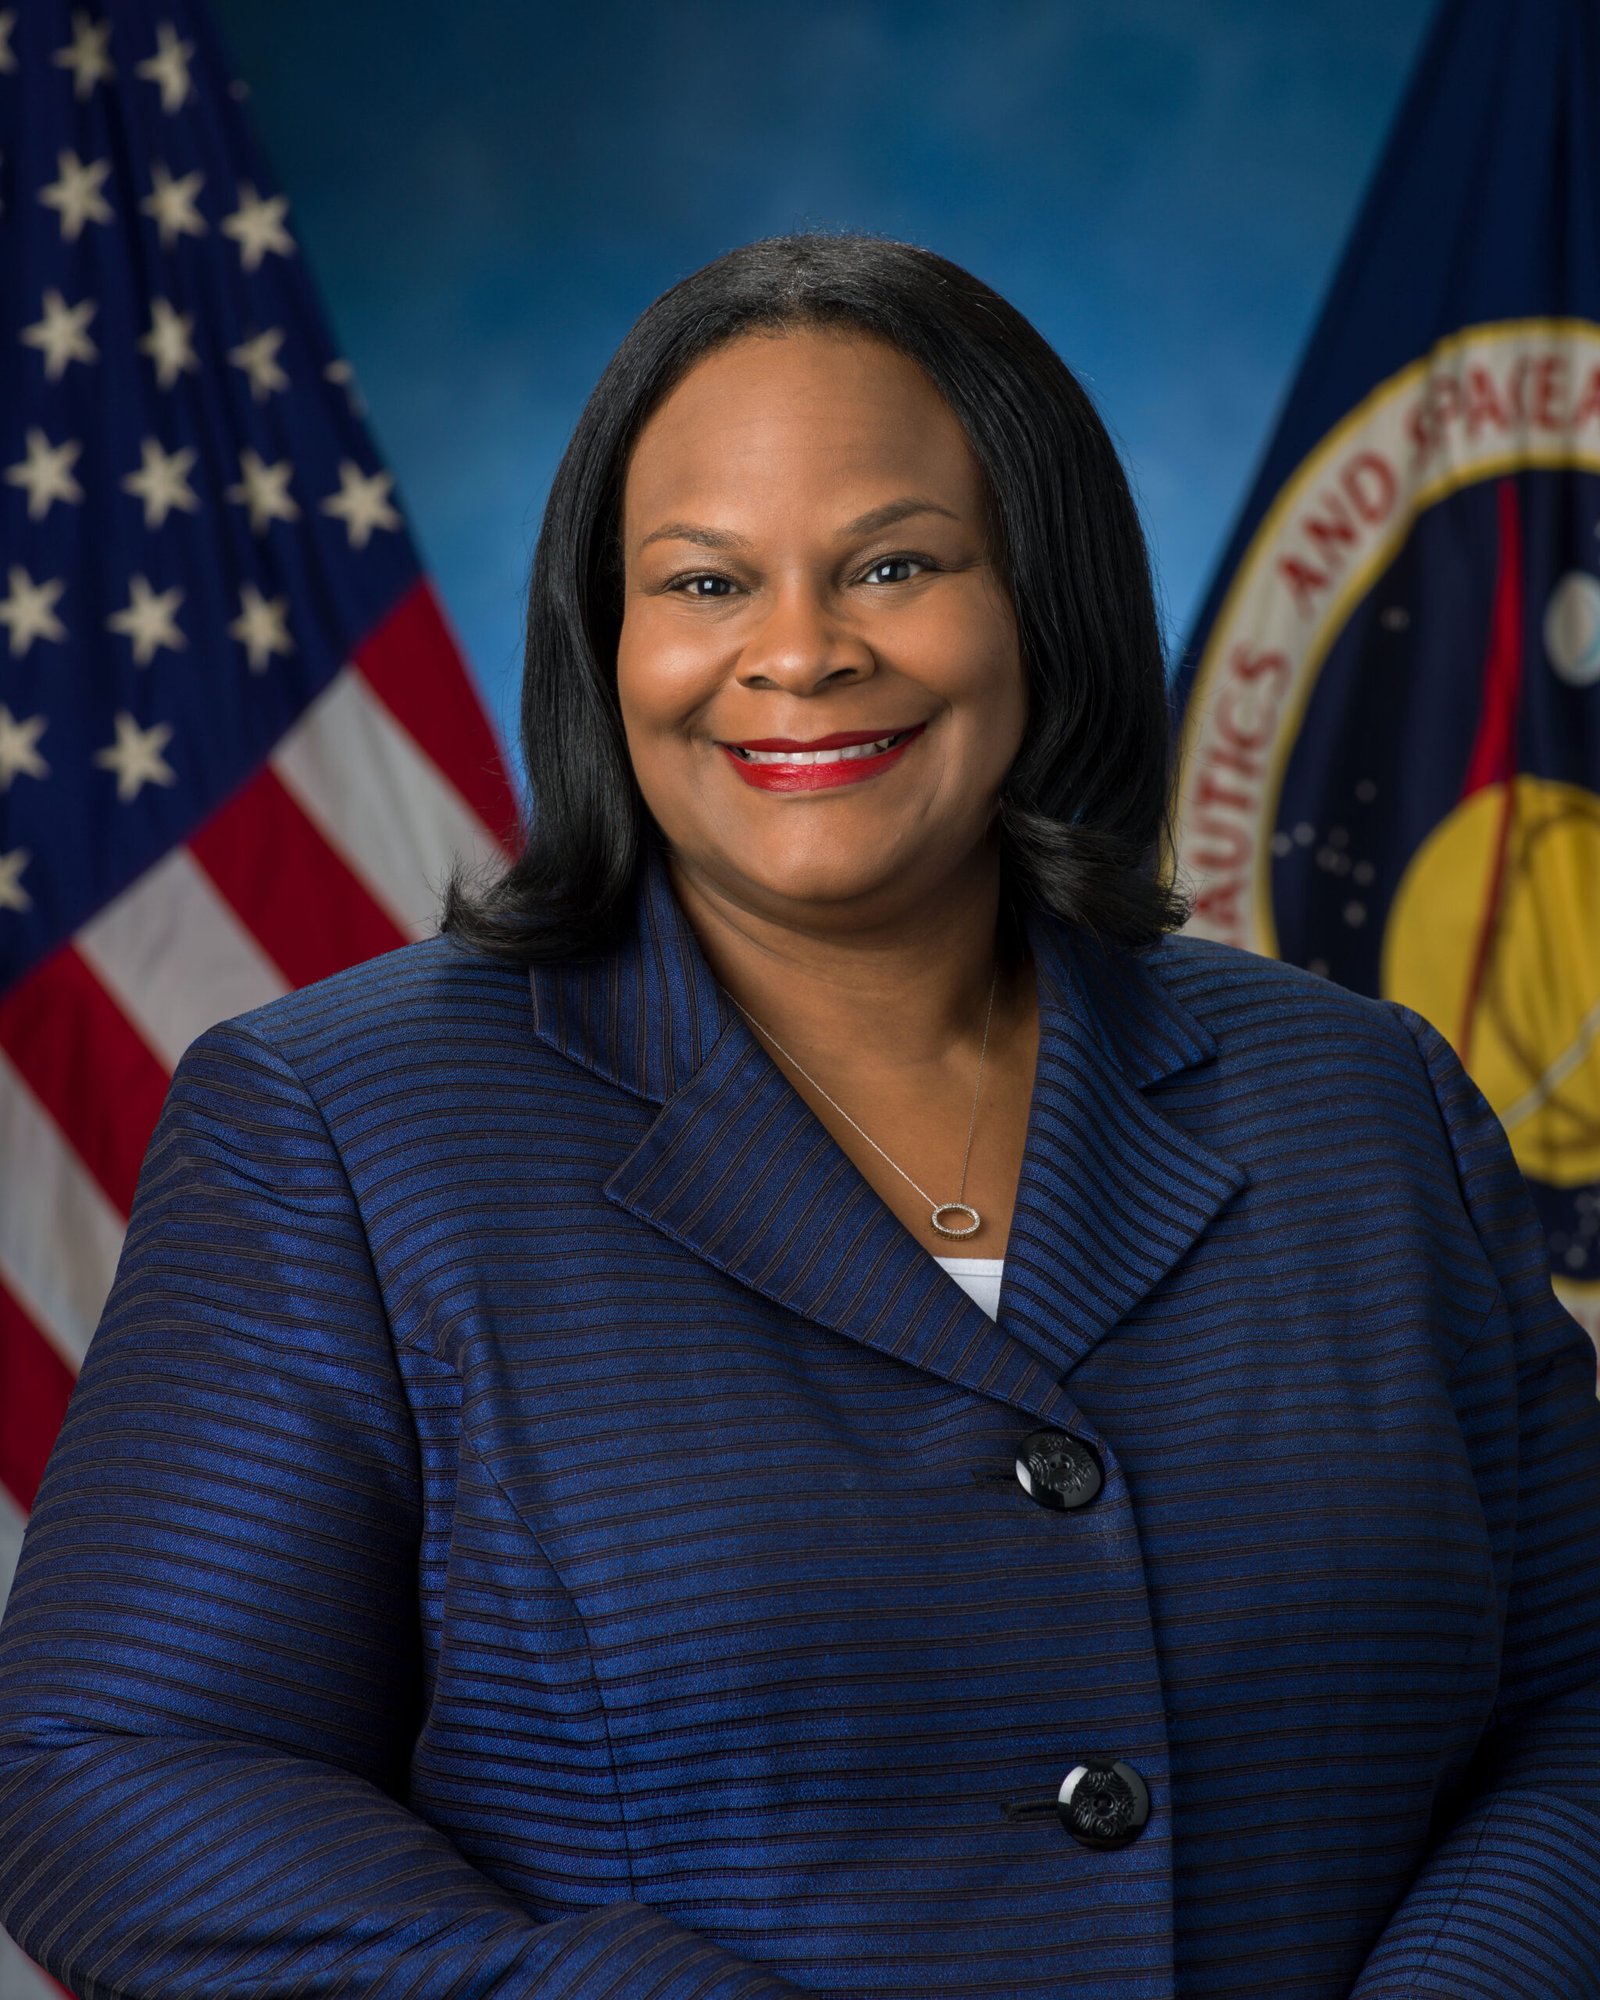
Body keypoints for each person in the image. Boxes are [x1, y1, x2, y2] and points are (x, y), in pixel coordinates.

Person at [0, 232, 1597, 2000]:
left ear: (1040, 603)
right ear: (605, 640)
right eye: (701, 584)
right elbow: (107, 1775)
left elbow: (1580, 1701)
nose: (799, 654)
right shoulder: (341, 1131)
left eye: (894, 564)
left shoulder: (1367, 1109)